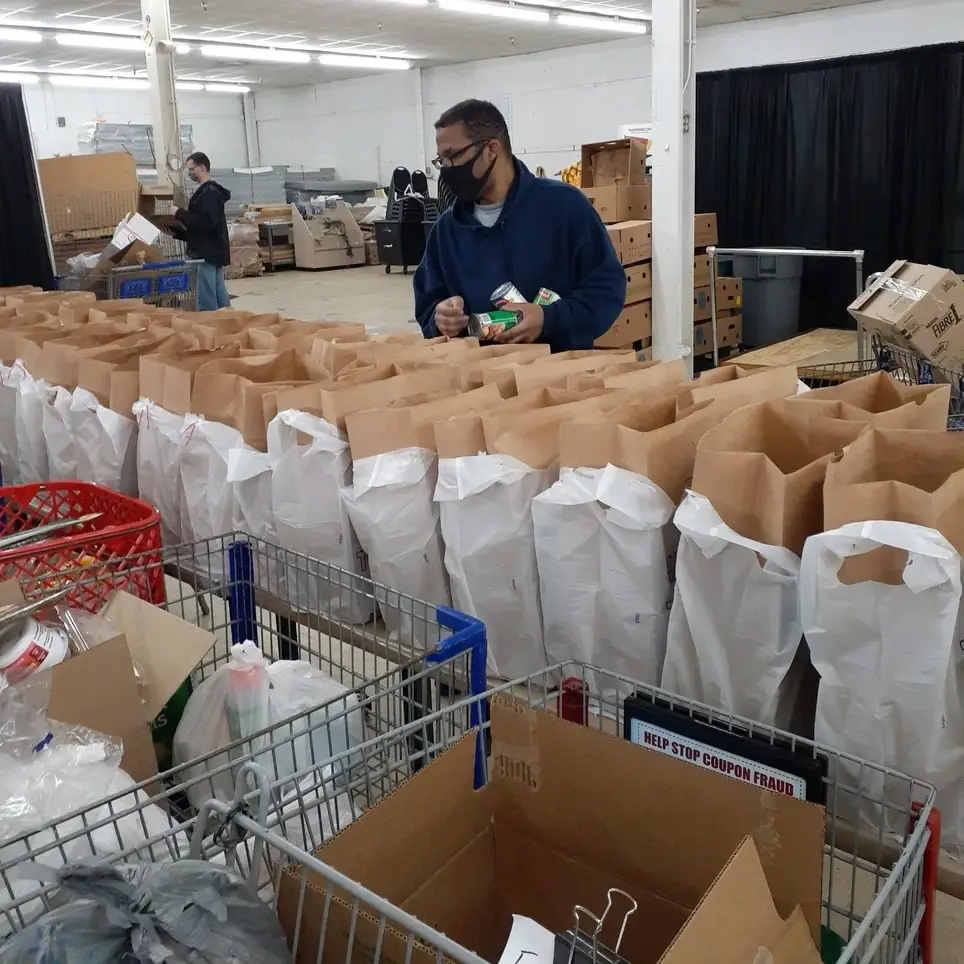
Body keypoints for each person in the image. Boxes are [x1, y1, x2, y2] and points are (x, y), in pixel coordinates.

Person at [414, 99, 626, 351]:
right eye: (441, 161)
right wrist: (440, 319)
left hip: (562, 375)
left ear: (491, 149)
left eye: (452, 156)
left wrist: (549, 319)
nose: (446, 170)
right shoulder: (446, 231)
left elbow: (606, 290)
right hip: (482, 379)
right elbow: (428, 303)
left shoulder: (564, 206)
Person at [172, 152, 231, 311]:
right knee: (218, 294)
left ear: (203, 168)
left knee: (206, 297)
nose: (190, 173)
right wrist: (176, 232)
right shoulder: (209, 192)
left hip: (205, 254)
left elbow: (205, 223)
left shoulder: (209, 193)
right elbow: (203, 227)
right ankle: (229, 323)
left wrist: (179, 214)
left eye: (192, 169)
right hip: (212, 250)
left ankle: (209, 326)